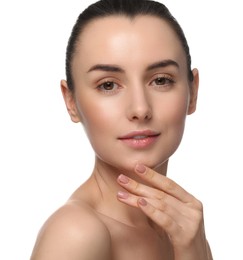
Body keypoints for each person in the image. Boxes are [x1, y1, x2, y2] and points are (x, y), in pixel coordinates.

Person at [30, 0, 213, 259]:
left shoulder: (185, 227)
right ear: (71, 102)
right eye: (108, 85)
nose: (140, 108)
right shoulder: (76, 233)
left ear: (192, 92)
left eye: (161, 80)